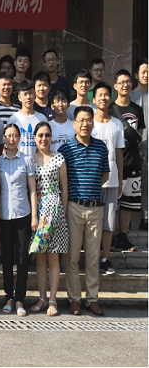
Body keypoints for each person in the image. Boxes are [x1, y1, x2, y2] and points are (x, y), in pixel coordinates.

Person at [59, 106, 110, 316]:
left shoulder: (101, 147)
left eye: (88, 120)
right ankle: (74, 299)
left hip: (95, 208)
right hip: (74, 207)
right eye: (81, 120)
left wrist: (91, 189)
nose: (85, 124)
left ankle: (92, 299)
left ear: (92, 123)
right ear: (74, 124)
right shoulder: (66, 149)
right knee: (72, 257)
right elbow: (62, 179)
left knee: (92, 257)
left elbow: (105, 174)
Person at [0, 123, 38, 317]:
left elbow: (32, 189)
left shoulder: (27, 160)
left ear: (20, 138)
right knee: (6, 258)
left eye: (15, 135)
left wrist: (34, 216)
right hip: (4, 215)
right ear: (3, 138)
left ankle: (20, 298)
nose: (11, 139)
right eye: (8, 136)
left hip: (23, 214)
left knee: (22, 258)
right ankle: (9, 297)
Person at [29, 121, 69, 316]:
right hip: (38, 212)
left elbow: (64, 189)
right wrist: (34, 215)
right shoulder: (31, 160)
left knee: (53, 257)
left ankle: (53, 299)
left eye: (47, 135)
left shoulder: (59, 158)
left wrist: (63, 213)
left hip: (55, 210)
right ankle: (42, 298)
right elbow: (30, 189)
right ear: (35, 138)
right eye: (40, 135)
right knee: (40, 257)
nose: (44, 139)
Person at [91, 82, 124, 276]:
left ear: (110, 98)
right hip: (92, 181)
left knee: (109, 222)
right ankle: (93, 258)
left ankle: (105, 259)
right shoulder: (89, 123)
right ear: (94, 99)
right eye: (100, 95)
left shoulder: (117, 124)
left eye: (106, 95)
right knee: (93, 221)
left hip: (111, 180)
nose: (103, 98)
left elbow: (119, 154)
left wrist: (120, 180)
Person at [111, 69, 146, 251]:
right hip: (114, 163)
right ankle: (109, 237)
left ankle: (123, 236)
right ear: (115, 86)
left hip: (132, 161)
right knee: (113, 203)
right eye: (121, 82)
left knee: (128, 203)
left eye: (128, 82)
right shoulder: (110, 109)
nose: (125, 85)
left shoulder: (137, 110)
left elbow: (138, 136)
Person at [130, 59, 148, 231]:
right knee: (134, 184)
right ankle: (129, 220)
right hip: (135, 148)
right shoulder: (130, 97)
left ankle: (146, 218)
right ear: (136, 75)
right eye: (143, 72)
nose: (146, 75)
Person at [8, 80, 48, 157]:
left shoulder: (42, 118)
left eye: (31, 93)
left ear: (35, 95)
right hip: (18, 162)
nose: (28, 97)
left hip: (38, 161)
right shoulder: (13, 119)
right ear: (19, 97)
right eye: (25, 94)